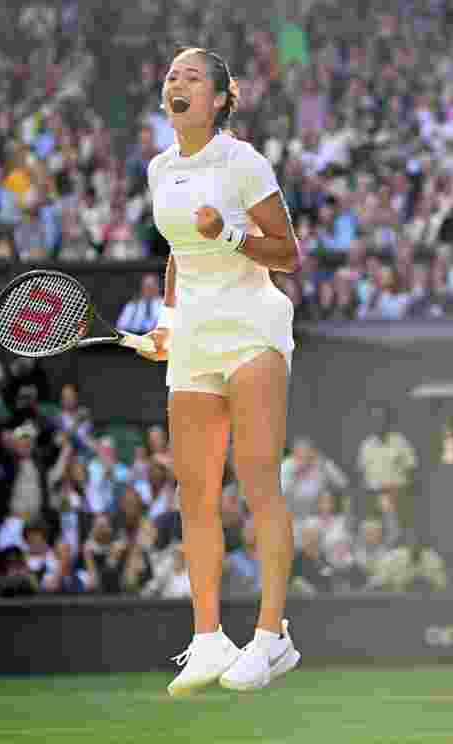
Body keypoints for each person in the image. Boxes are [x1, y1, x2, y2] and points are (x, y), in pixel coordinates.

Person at [137, 47, 302, 696]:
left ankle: (271, 636)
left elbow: (287, 254)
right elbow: (179, 253)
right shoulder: (159, 168)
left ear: (219, 98)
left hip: (253, 330)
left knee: (258, 481)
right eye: (171, 75)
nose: (176, 82)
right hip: (194, 340)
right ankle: (208, 639)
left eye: (192, 76)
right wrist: (167, 322)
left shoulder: (243, 162)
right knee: (194, 493)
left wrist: (229, 235)